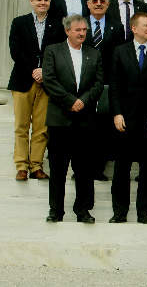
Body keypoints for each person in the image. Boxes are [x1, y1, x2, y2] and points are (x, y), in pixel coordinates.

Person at [108, 12, 147, 224]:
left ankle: (144, 213)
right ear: (134, 28)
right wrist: (116, 113)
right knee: (121, 169)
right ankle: (119, 212)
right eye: (146, 25)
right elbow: (114, 86)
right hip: (124, 119)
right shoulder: (119, 52)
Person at [42, 14, 103, 223]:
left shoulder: (93, 54)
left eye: (84, 30)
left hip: (85, 121)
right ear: (68, 31)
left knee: (85, 169)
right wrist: (70, 101)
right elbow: (49, 80)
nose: (82, 33)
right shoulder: (53, 51)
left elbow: (98, 83)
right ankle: (56, 211)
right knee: (58, 169)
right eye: (78, 30)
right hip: (60, 120)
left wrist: (83, 101)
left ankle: (83, 210)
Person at [8, 0, 65, 181]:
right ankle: (22, 165)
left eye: (46, 0)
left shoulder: (58, 25)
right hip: (23, 80)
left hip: (47, 82)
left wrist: (45, 72)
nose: (42, 3)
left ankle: (36, 165)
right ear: (32, 1)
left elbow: (59, 52)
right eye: (39, 0)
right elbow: (15, 51)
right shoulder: (19, 23)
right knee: (21, 126)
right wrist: (33, 70)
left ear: (50, 3)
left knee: (42, 127)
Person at [84, 0, 125, 182]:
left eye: (103, 1)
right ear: (88, 4)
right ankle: (81, 168)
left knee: (102, 127)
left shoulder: (116, 27)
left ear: (108, 5)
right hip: (83, 83)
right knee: (84, 126)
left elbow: (119, 56)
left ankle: (98, 168)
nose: (99, 3)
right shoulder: (79, 24)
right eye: (95, 1)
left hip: (107, 83)